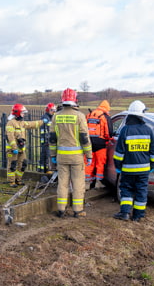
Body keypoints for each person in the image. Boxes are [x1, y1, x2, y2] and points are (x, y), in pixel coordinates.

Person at [49, 88, 92, 218]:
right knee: (78, 183)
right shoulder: (79, 116)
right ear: (75, 100)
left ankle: (61, 209)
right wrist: (89, 155)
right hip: (76, 157)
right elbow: (84, 138)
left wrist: (52, 155)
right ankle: (77, 210)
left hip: (61, 156)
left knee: (62, 183)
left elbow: (52, 138)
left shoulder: (56, 116)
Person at [113, 100, 154, 221]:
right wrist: (152, 164)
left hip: (127, 169)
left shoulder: (125, 130)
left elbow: (119, 153)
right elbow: (153, 151)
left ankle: (125, 213)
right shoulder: (148, 130)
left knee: (126, 189)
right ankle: (138, 216)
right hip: (144, 170)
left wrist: (118, 166)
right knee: (141, 191)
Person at [5, 103, 41, 186]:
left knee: (23, 164)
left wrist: (42, 121)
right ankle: (11, 181)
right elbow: (10, 137)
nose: (23, 114)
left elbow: (32, 124)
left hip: (21, 149)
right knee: (12, 165)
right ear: (17, 113)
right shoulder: (11, 123)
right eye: (22, 113)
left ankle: (18, 179)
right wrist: (14, 148)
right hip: (12, 150)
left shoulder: (22, 123)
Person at [85, 100, 112, 189]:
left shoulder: (89, 115)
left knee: (89, 163)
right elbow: (109, 133)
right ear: (107, 108)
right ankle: (98, 183)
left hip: (89, 144)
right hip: (101, 144)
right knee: (100, 163)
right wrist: (108, 140)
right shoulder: (105, 117)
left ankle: (87, 183)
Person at [40, 103, 56, 173]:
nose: (53, 111)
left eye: (54, 110)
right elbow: (49, 128)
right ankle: (47, 170)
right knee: (47, 155)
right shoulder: (45, 117)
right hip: (46, 140)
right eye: (52, 110)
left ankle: (43, 169)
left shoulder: (52, 117)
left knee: (45, 155)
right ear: (48, 110)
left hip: (48, 139)